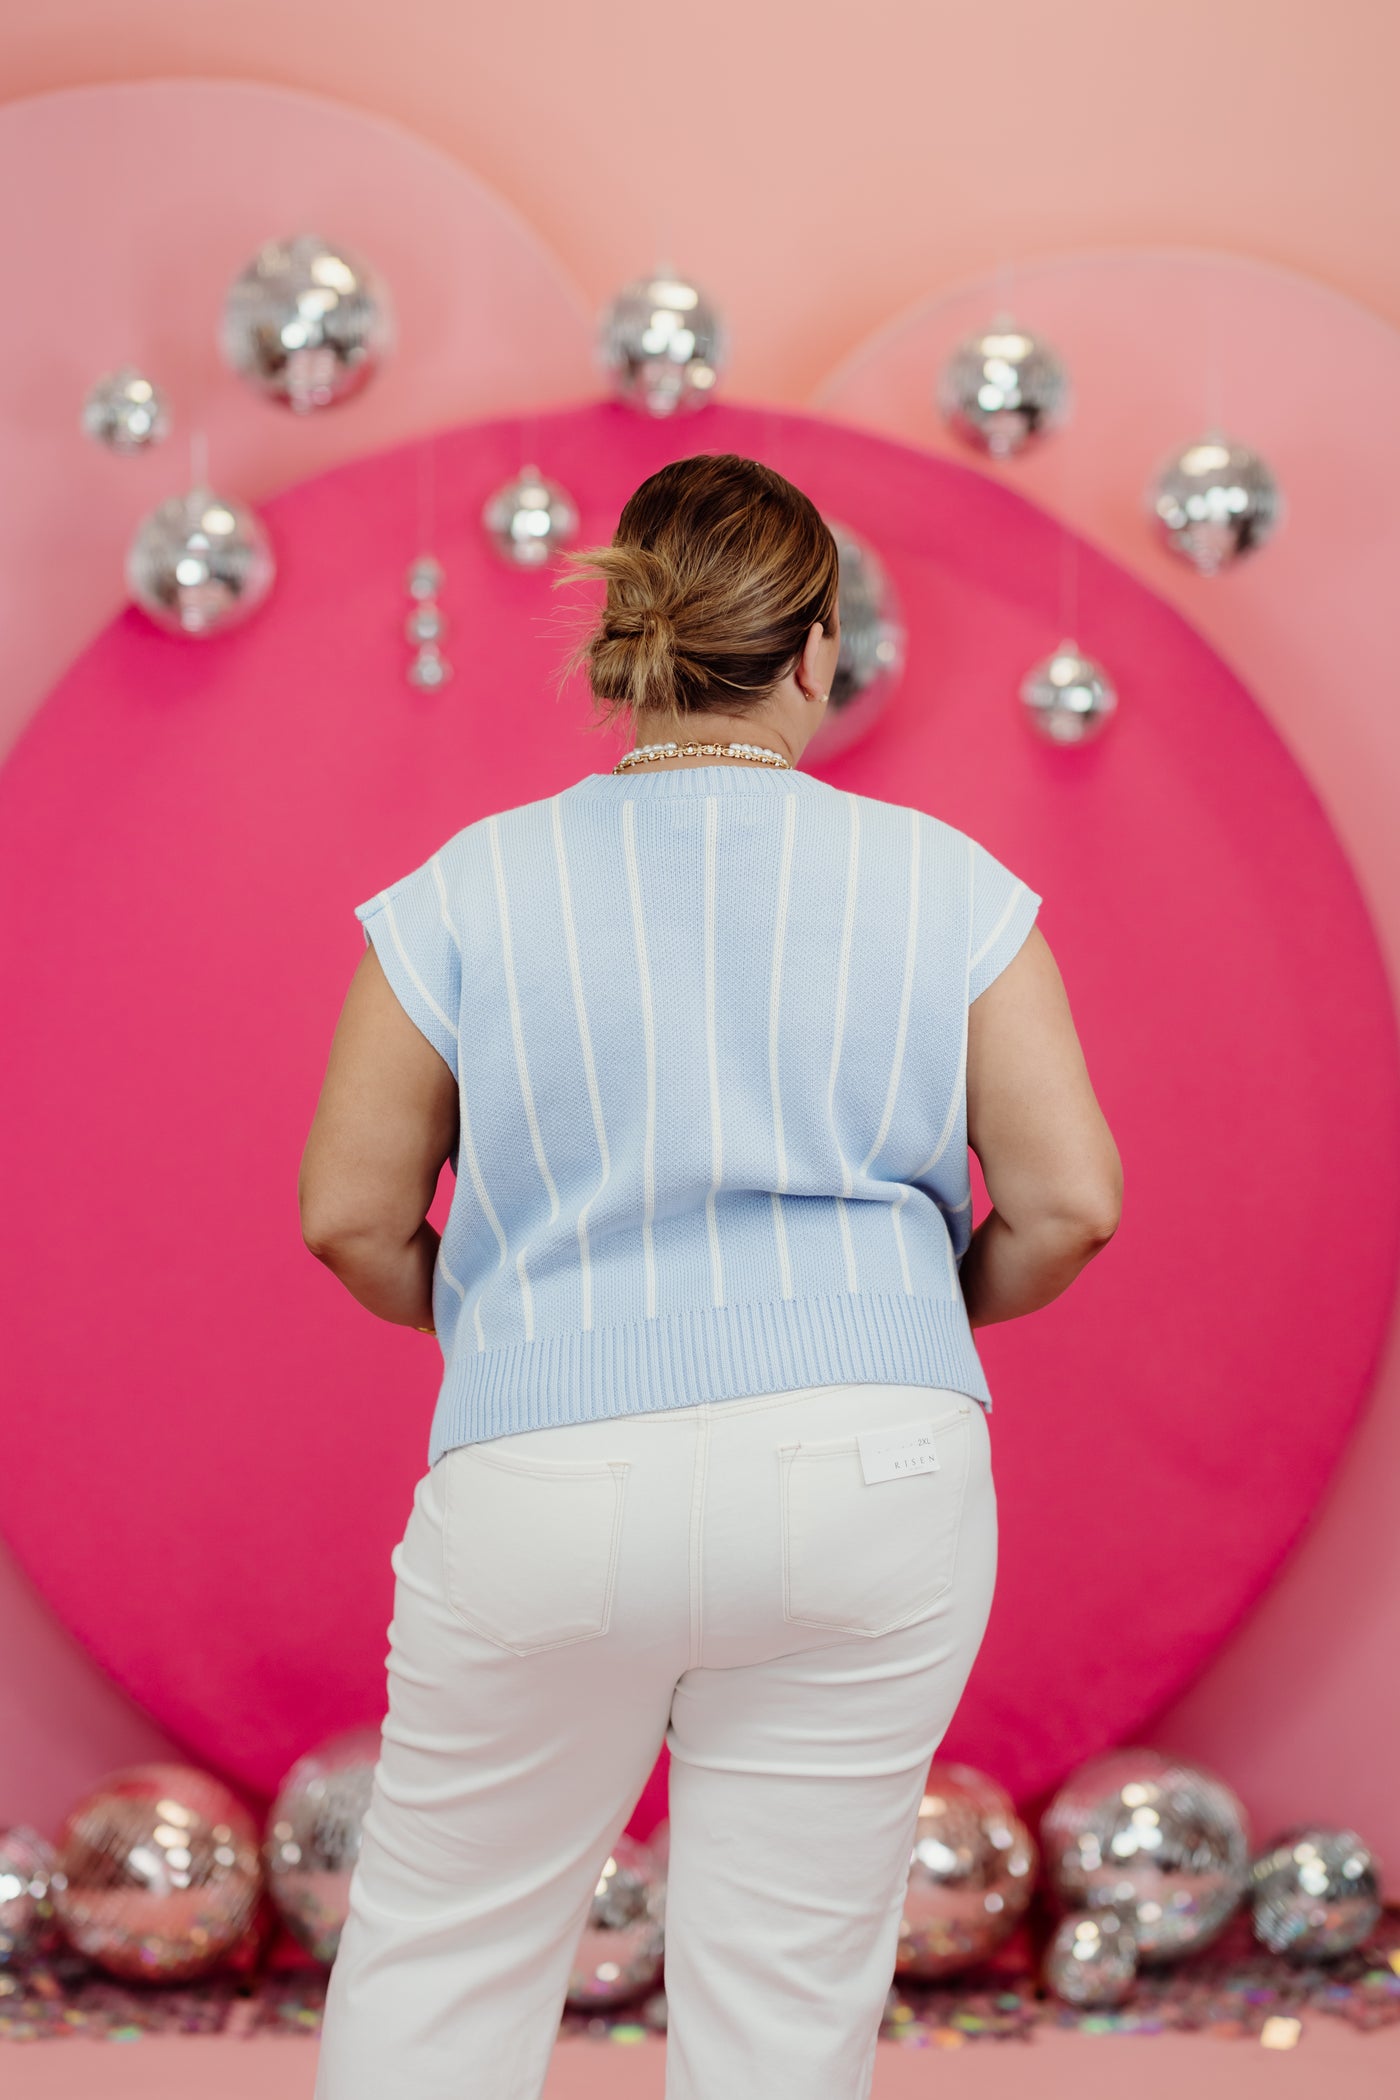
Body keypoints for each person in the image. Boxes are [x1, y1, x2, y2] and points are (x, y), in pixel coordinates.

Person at [298, 452, 1122, 2100]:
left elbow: (348, 1214)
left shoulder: (467, 888)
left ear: (627, 644)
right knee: (787, 2002)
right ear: (817, 648)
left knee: (446, 1945)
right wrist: (898, 1318)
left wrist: (494, 1320)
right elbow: (1072, 1202)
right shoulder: (947, 885)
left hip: (545, 1466)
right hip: (876, 1469)